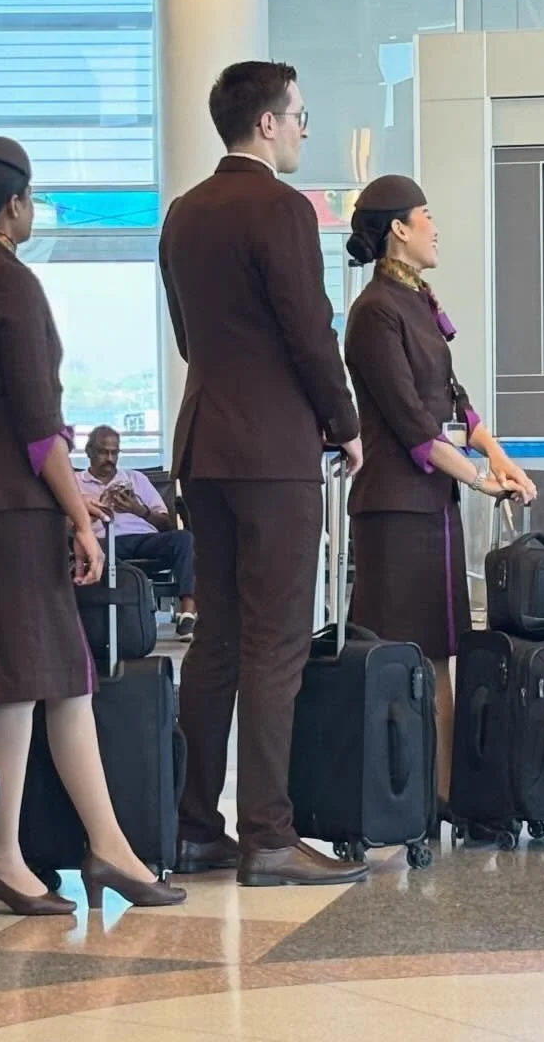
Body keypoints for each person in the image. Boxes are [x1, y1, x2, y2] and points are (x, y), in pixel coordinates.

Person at [0, 136, 184, 913]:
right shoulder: (10, 285)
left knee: (55, 681)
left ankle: (101, 848)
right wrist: (80, 516)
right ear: (15, 203)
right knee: (25, 684)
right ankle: (12, 856)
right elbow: (41, 428)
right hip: (16, 505)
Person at [158, 60, 367, 887]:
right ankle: (270, 839)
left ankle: (193, 826)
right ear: (269, 123)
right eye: (302, 116)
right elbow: (309, 329)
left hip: (205, 444)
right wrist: (344, 423)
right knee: (277, 641)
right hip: (274, 452)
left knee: (216, 639)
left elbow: (185, 333)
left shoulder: (183, 212)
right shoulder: (282, 208)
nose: (306, 131)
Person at [340, 174, 538, 820]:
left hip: (433, 507)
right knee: (407, 654)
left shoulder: (419, 302)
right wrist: (479, 479)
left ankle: (446, 791)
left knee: (443, 648)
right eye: (427, 216)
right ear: (398, 228)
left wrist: (498, 454)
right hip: (395, 510)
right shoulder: (374, 313)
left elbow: (455, 402)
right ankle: (407, 793)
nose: (436, 228)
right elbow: (412, 425)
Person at [76, 425, 197, 637]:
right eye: (104, 452)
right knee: (90, 549)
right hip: (102, 542)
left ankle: (187, 614)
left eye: (115, 452)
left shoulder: (136, 479)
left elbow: (166, 525)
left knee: (184, 539)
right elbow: (65, 525)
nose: (110, 458)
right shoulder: (76, 483)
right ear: (89, 452)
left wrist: (138, 510)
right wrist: (93, 512)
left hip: (144, 540)